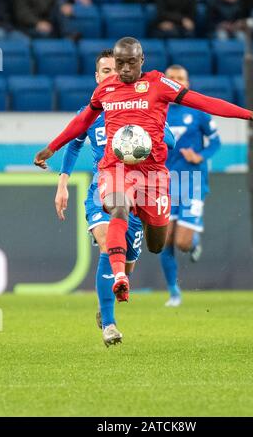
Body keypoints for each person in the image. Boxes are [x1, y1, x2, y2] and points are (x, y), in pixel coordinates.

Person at [34, 36, 253, 306]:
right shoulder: (105, 91)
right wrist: (51, 148)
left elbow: (202, 101)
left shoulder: (158, 84)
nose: (124, 69)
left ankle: (141, 242)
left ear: (141, 60)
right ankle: (119, 277)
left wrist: (248, 114)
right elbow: (81, 123)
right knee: (118, 208)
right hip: (116, 168)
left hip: (153, 175)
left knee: (157, 244)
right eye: (120, 63)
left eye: (130, 63)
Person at [55, 49, 175, 346]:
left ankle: (107, 299)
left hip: (138, 189)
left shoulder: (140, 108)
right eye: (105, 71)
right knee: (107, 242)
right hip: (103, 188)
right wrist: (63, 181)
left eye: (115, 69)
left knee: (125, 264)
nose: (112, 75)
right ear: (97, 77)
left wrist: (148, 140)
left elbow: (169, 138)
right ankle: (110, 325)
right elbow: (72, 144)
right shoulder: (92, 112)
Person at [160, 65, 221, 307]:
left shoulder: (199, 111)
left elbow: (216, 142)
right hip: (162, 183)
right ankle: (174, 292)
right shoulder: (156, 110)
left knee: (182, 243)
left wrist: (201, 155)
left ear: (187, 82)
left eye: (180, 78)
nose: (175, 82)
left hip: (192, 182)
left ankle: (193, 243)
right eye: (171, 78)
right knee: (164, 241)